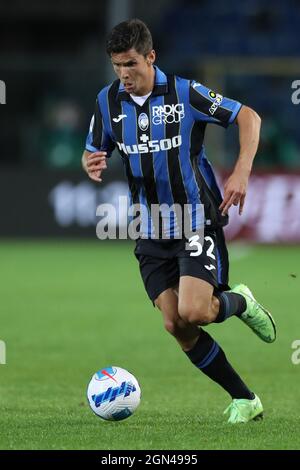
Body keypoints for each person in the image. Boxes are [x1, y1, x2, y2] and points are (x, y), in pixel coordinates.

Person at [82, 19, 276, 424]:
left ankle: (238, 301)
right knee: (176, 324)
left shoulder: (186, 93)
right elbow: (94, 149)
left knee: (196, 311)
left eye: (131, 64)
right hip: (149, 229)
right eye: (117, 65)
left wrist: (241, 171)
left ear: (151, 57)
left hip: (194, 220)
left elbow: (249, 118)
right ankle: (246, 399)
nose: (124, 74)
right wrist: (90, 161)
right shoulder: (107, 101)